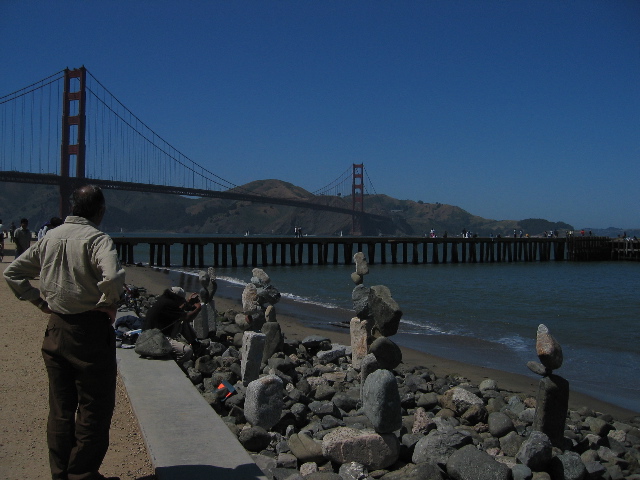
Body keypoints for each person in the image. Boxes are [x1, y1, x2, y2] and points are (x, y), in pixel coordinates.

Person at [3, 185, 124, 480]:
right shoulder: (98, 239)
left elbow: (13, 272)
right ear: (100, 211)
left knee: (60, 408)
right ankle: (81, 474)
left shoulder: (50, 237)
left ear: (72, 208)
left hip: (56, 329)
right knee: (94, 408)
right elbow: (113, 277)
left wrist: (37, 301)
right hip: (90, 332)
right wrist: (109, 305)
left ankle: (60, 473)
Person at [142, 286, 201, 364]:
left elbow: (179, 310)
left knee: (181, 321)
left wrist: (188, 302)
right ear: (177, 298)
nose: (182, 302)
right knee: (187, 352)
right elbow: (187, 318)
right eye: (181, 300)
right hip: (157, 339)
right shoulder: (169, 304)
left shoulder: (164, 300)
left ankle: (195, 343)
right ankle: (172, 361)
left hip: (152, 334)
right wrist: (198, 309)